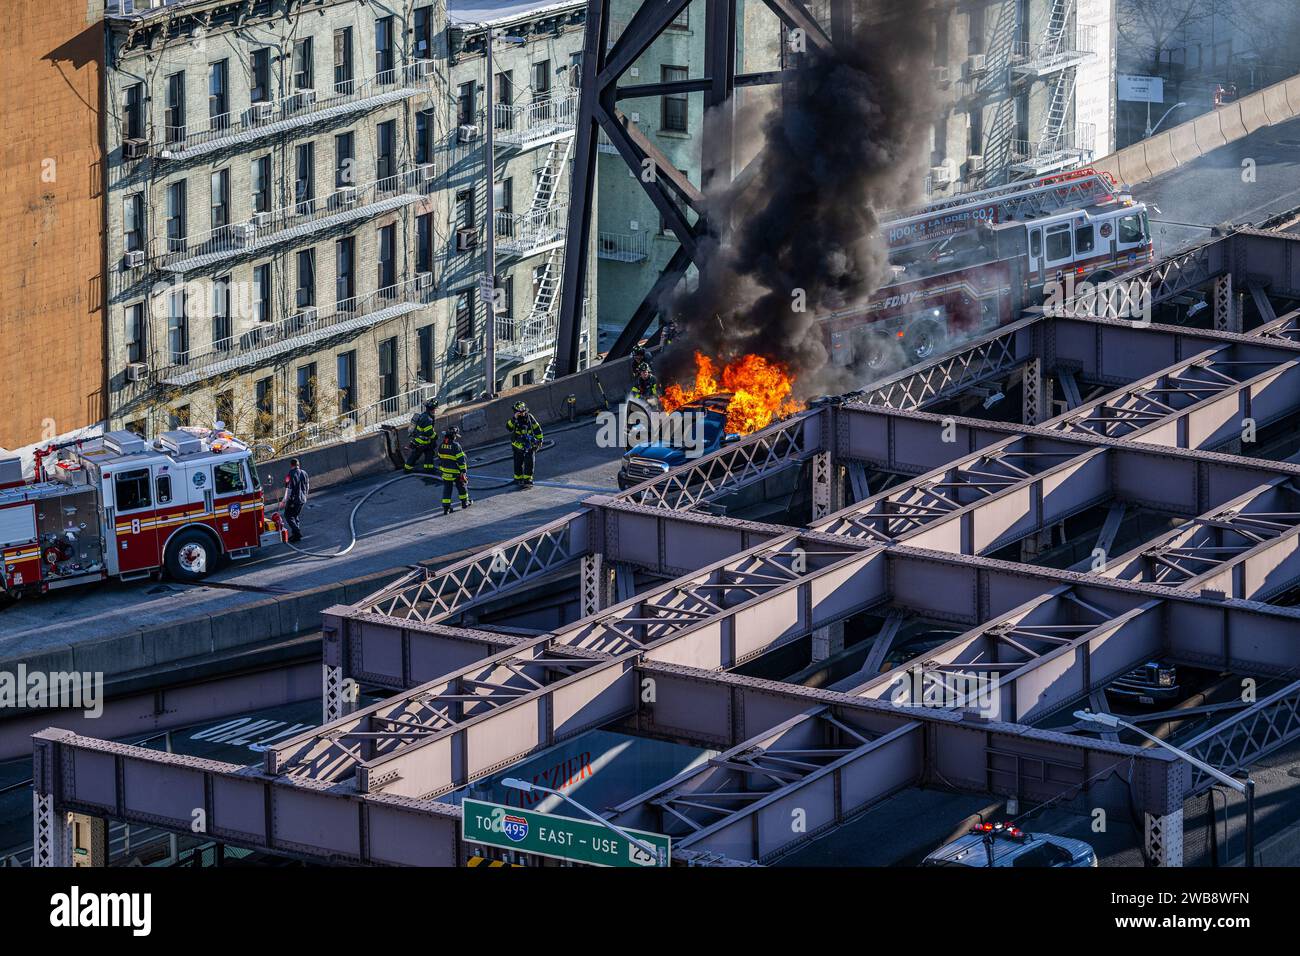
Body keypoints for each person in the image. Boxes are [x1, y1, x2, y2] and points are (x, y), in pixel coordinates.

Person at [506, 401, 544, 487]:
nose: (522, 414)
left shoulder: (530, 418)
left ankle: (527, 479)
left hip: (529, 444)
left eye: (523, 412)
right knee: (518, 462)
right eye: (520, 412)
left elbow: (537, 429)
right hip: (517, 445)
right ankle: (518, 478)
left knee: (529, 462)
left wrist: (540, 440)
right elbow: (508, 428)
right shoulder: (514, 420)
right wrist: (514, 419)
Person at [437, 426, 472, 515]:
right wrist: (463, 471)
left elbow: (440, 458)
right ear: (453, 436)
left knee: (447, 489)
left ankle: (446, 508)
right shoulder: (456, 446)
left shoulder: (441, 445)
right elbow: (461, 460)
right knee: (461, 486)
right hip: (456, 472)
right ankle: (464, 503)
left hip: (445, 472)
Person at [404, 397, 438, 475]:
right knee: (416, 455)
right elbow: (429, 432)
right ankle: (407, 469)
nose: (435, 410)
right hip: (422, 442)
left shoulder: (424, 415)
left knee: (429, 454)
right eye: (435, 409)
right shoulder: (428, 419)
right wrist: (435, 436)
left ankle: (428, 469)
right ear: (432, 409)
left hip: (423, 441)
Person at [282, 458, 310, 543]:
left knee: (288, 515)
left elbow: (288, 489)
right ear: (298, 465)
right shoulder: (304, 473)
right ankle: (295, 535)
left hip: (294, 500)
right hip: (302, 499)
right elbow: (307, 486)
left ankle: (297, 532)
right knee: (295, 515)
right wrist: (305, 496)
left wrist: (285, 500)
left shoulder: (289, 475)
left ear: (291, 465)